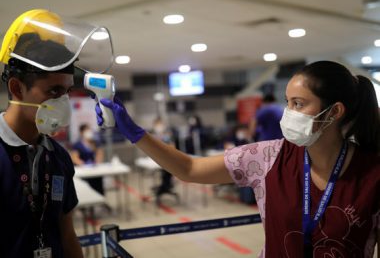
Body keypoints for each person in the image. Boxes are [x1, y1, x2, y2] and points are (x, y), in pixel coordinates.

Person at [96, 60, 380, 257]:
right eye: (287, 102)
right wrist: (135, 133)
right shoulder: (267, 157)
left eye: (299, 104)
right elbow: (190, 168)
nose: (288, 113)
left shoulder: (373, 173)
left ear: (334, 112)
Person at [0, 9, 109, 257]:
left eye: (67, 92)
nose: (62, 102)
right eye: (53, 91)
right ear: (17, 88)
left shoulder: (58, 158)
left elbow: (67, 234)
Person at [70, 123, 104, 194]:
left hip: (94, 170)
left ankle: (100, 199)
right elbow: (74, 158)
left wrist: (97, 162)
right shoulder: (77, 145)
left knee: (98, 186)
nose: (89, 131)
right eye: (86, 130)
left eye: (89, 129)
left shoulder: (94, 143)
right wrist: (83, 164)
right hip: (84, 171)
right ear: (81, 132)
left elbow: (99, 154)